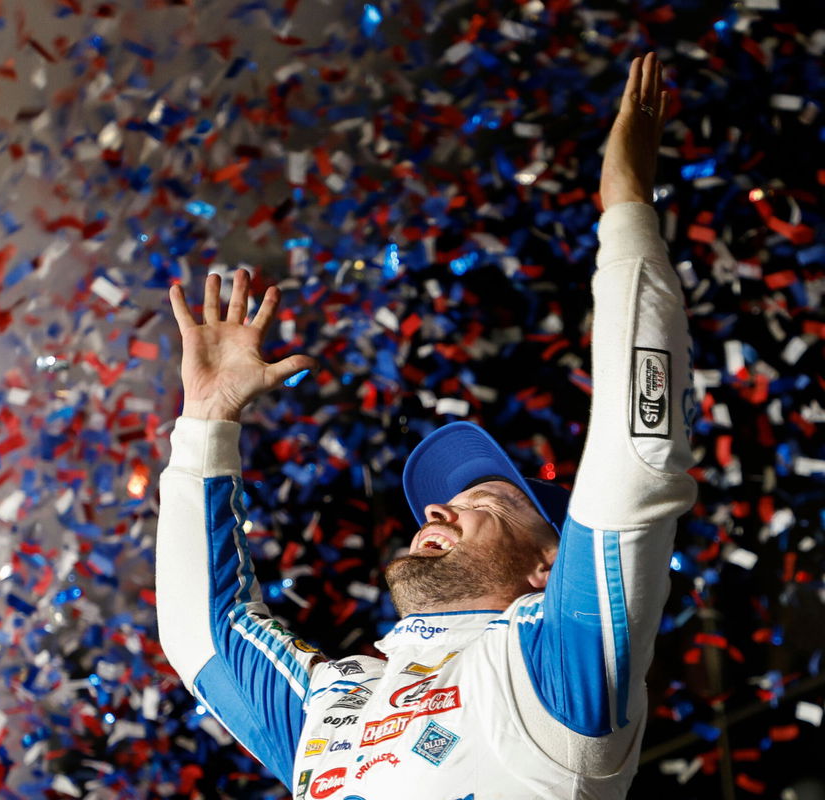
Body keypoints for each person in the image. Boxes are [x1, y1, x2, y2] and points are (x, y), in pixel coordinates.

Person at [157, 52, 695, 799]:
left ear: (549, 569)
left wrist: (627, 208)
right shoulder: (337, 704)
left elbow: (636, 464)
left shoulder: (550, 676)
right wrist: (208, 422)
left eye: (490, 505)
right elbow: (201, 634)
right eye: (452, 502)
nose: (438, 509)